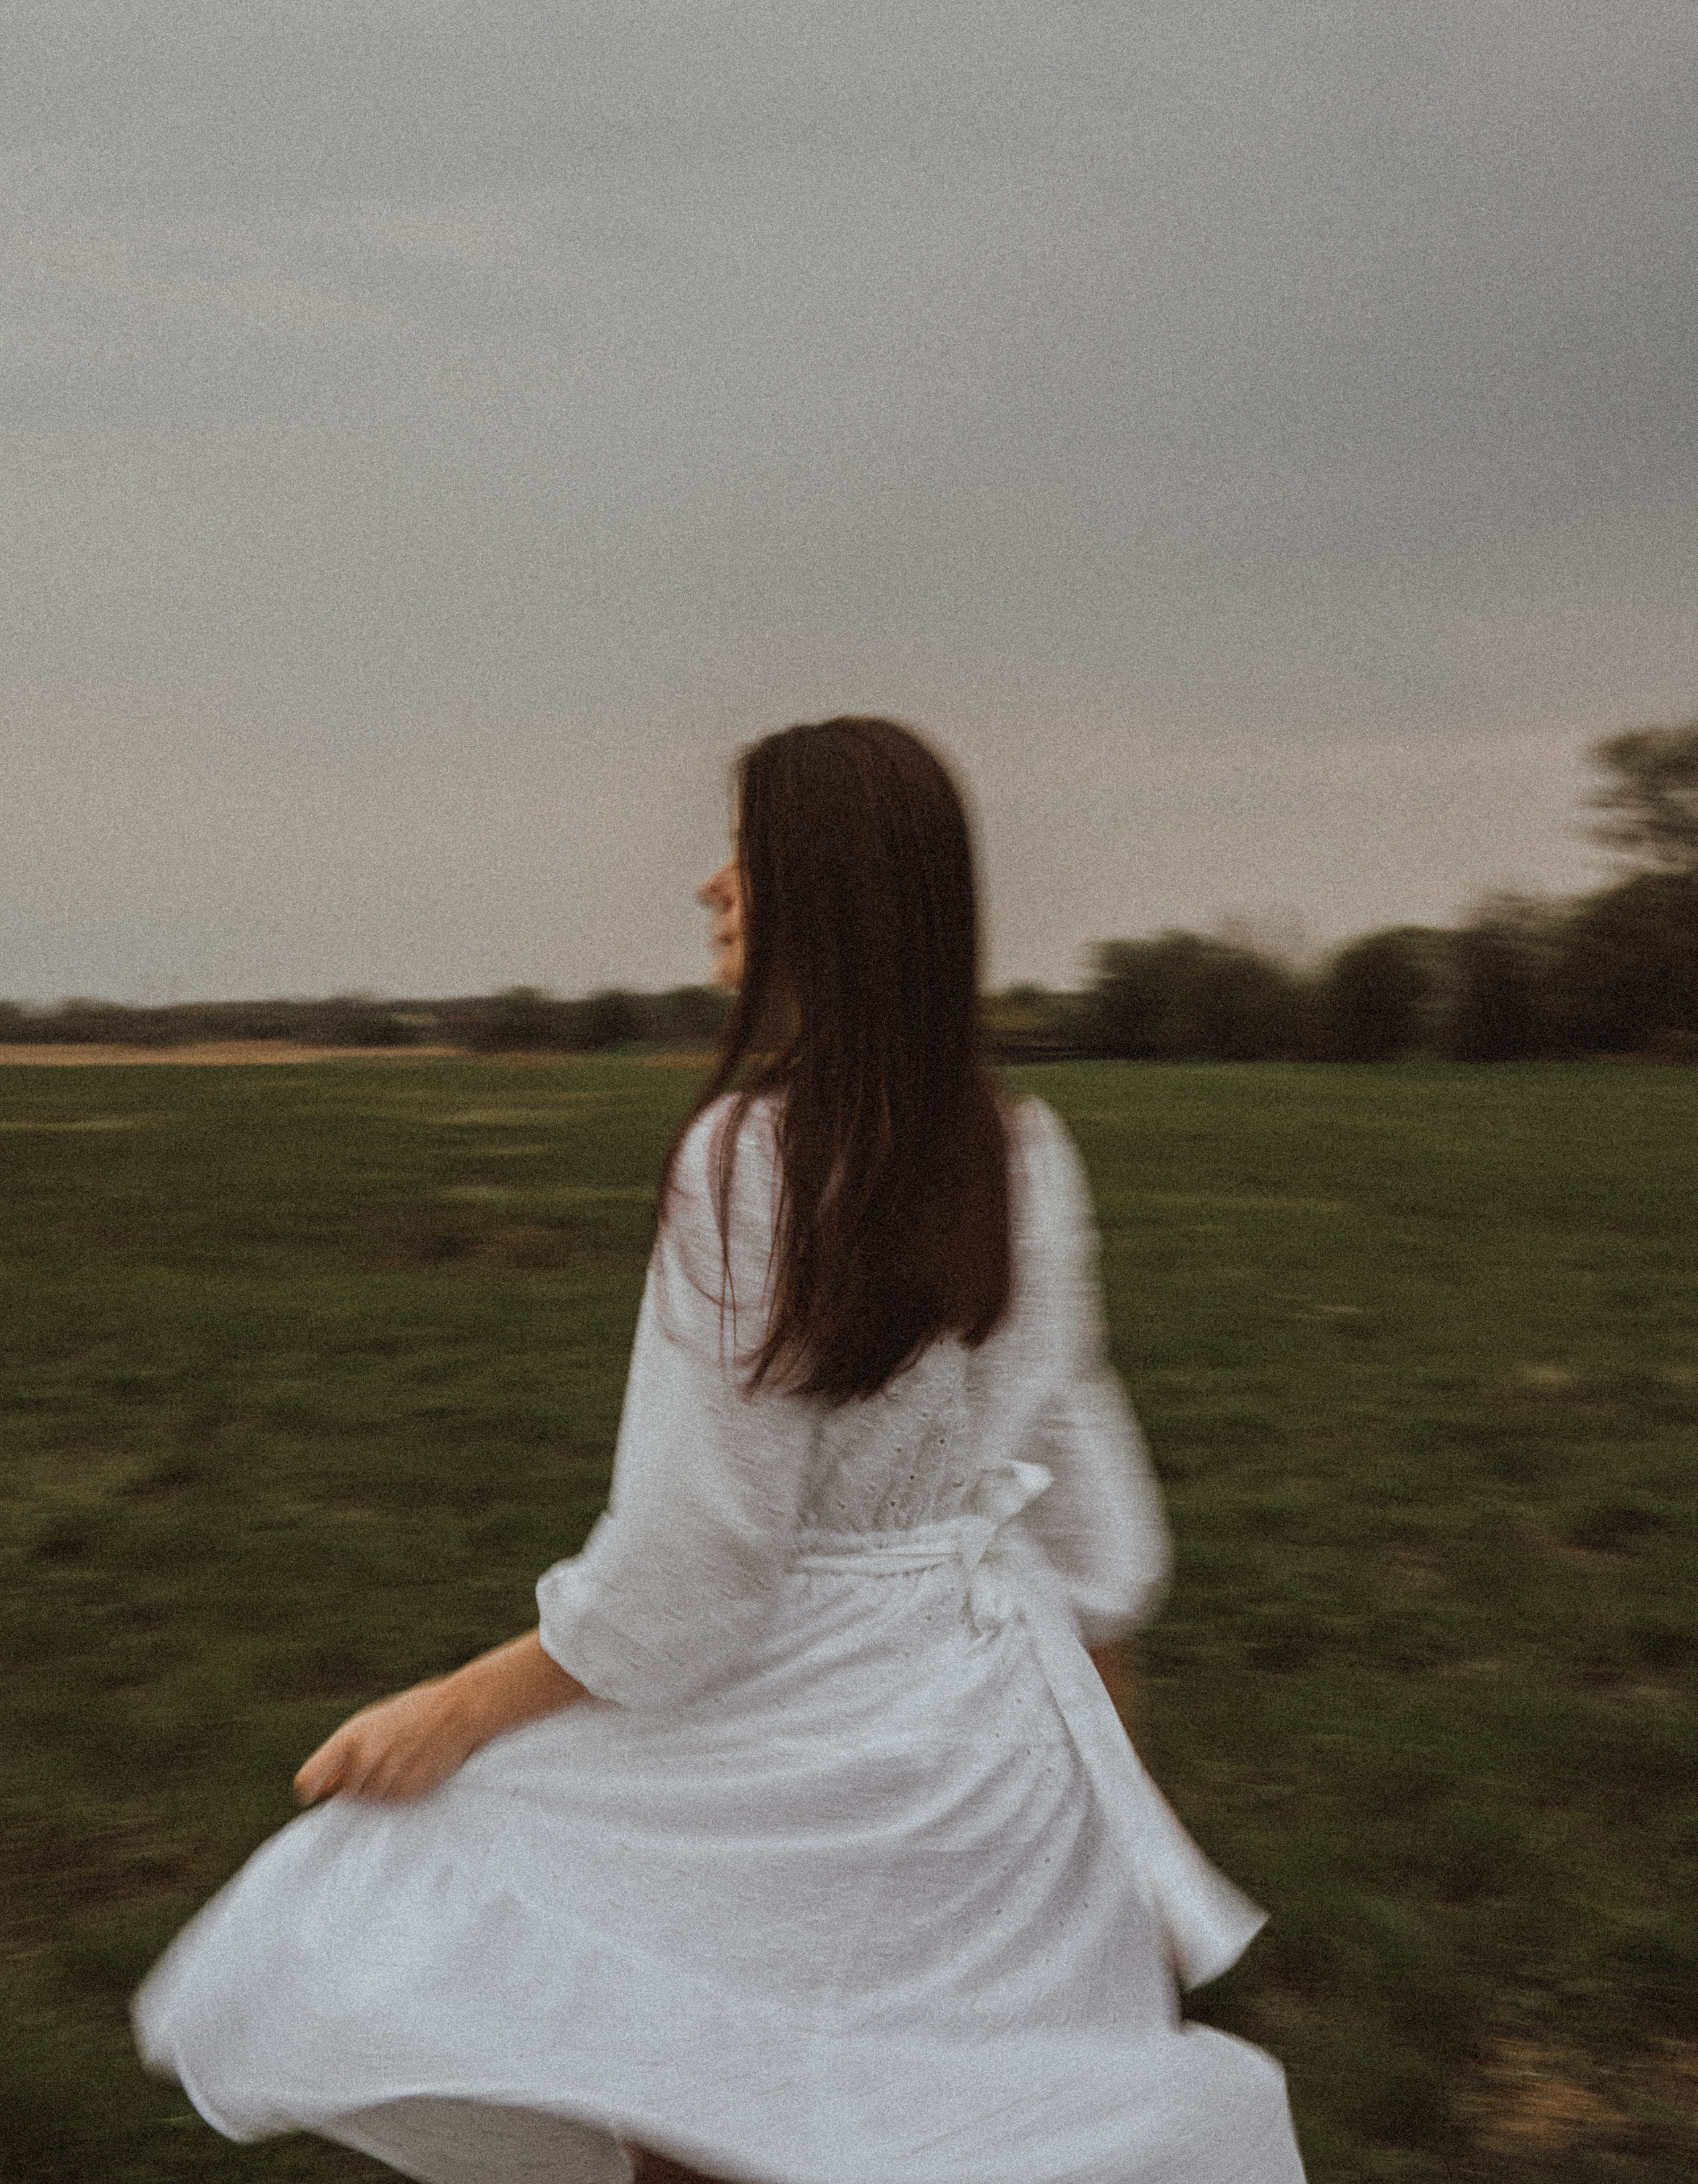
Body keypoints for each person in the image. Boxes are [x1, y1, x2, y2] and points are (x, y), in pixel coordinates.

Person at [134, 716, 1305, 2184]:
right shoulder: (1024, 1146)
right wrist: (1113, 1805)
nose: (711, 886)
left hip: (786, 1742)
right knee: (930, 2136)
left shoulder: (747, 1160)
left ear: (825, 890)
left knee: (676, 2088)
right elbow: (1088, 1522)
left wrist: (456, 1707)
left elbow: (703, 1557)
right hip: (993, 1744)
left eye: (744, 855)